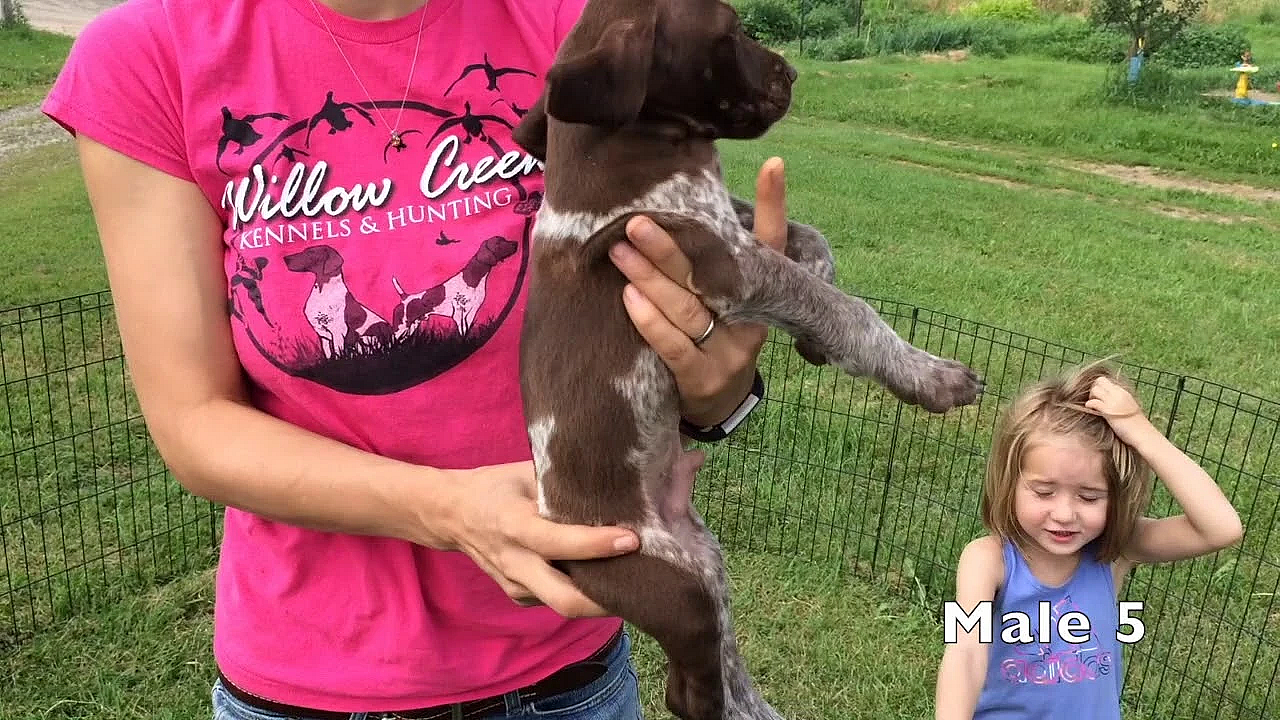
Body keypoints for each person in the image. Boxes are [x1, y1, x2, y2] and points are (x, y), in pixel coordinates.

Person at [42, 0, 793, 717]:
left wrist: (721, 392)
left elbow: (654, 310)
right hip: (306, 684)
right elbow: (195, 421)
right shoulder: (149, 55)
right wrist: (449, 511)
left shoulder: (577, 28)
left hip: (568, 679)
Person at [934, 360, 1243, 720]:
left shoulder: (1116, 548)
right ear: (1010, 483)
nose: (1065, 514)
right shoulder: (987, 560)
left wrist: (1141, 433)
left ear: (1117, 497)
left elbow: (1222, 528)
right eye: (1044, 491)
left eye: (1089, 497)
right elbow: (966, 653)